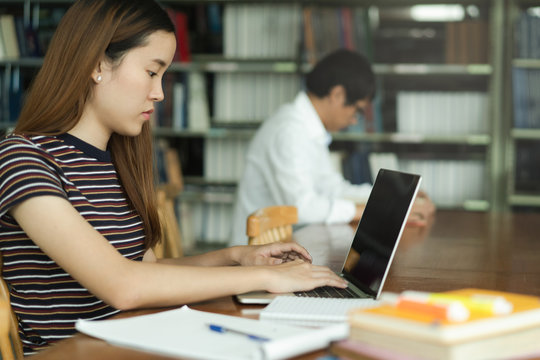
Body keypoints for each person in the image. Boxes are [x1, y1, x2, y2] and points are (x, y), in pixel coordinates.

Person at [0, 0, 347, 355]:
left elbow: (146, 271)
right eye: (152, 72)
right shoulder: (23, 158)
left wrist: (236, 256)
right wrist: (267, 277)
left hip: (137, 341)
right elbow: (122, 285)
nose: (160, 93)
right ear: (97, 65)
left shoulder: (118, 159)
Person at [230, 49, 435, 245]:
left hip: (288, 246)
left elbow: (332, 188)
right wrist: (375, 210)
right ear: (337, 94)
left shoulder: (307, 128)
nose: (355, 120)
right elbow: (301, 208)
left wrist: (395, 197)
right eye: (357, 110)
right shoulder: (289, 131)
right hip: (254, 259)